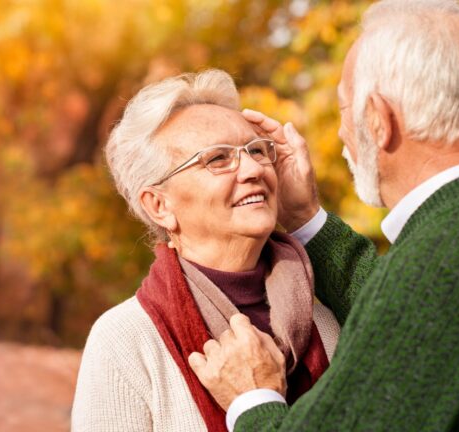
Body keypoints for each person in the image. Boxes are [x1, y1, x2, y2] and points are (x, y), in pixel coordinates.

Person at [187, 1, 459, 431]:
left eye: (344, 110)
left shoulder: (442, 267)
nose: (342, 132)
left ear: (379, 120)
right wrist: (305, 216)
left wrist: (254, 399)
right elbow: (425, 334)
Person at [70, 69, 341, 432]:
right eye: (217, 159)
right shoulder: (126, 340)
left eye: (257, 150)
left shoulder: (325, 324)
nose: (251, 169)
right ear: (159, 205)